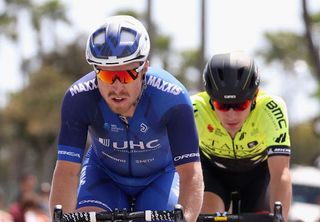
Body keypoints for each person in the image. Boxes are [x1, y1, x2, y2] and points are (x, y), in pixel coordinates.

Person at [49, 15, 203, 222]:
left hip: (160, 177)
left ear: (144, 68)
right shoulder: (79, 98)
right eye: (107, 76)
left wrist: (187, 218)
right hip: (104, 175)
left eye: (126, 74)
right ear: (95, 71)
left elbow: (190, 173)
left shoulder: (172, 97)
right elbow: (66, 172)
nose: (117, 87)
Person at [191, 52, 292, 221]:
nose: (231, 115)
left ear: (255, 96)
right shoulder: (194, 109)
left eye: (240, 105)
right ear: (209, 98)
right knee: (208, 216)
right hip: (213, 173)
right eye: (222, 105)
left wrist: (281, 218)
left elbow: (281, 172)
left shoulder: (271, 109)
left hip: (257, 175)